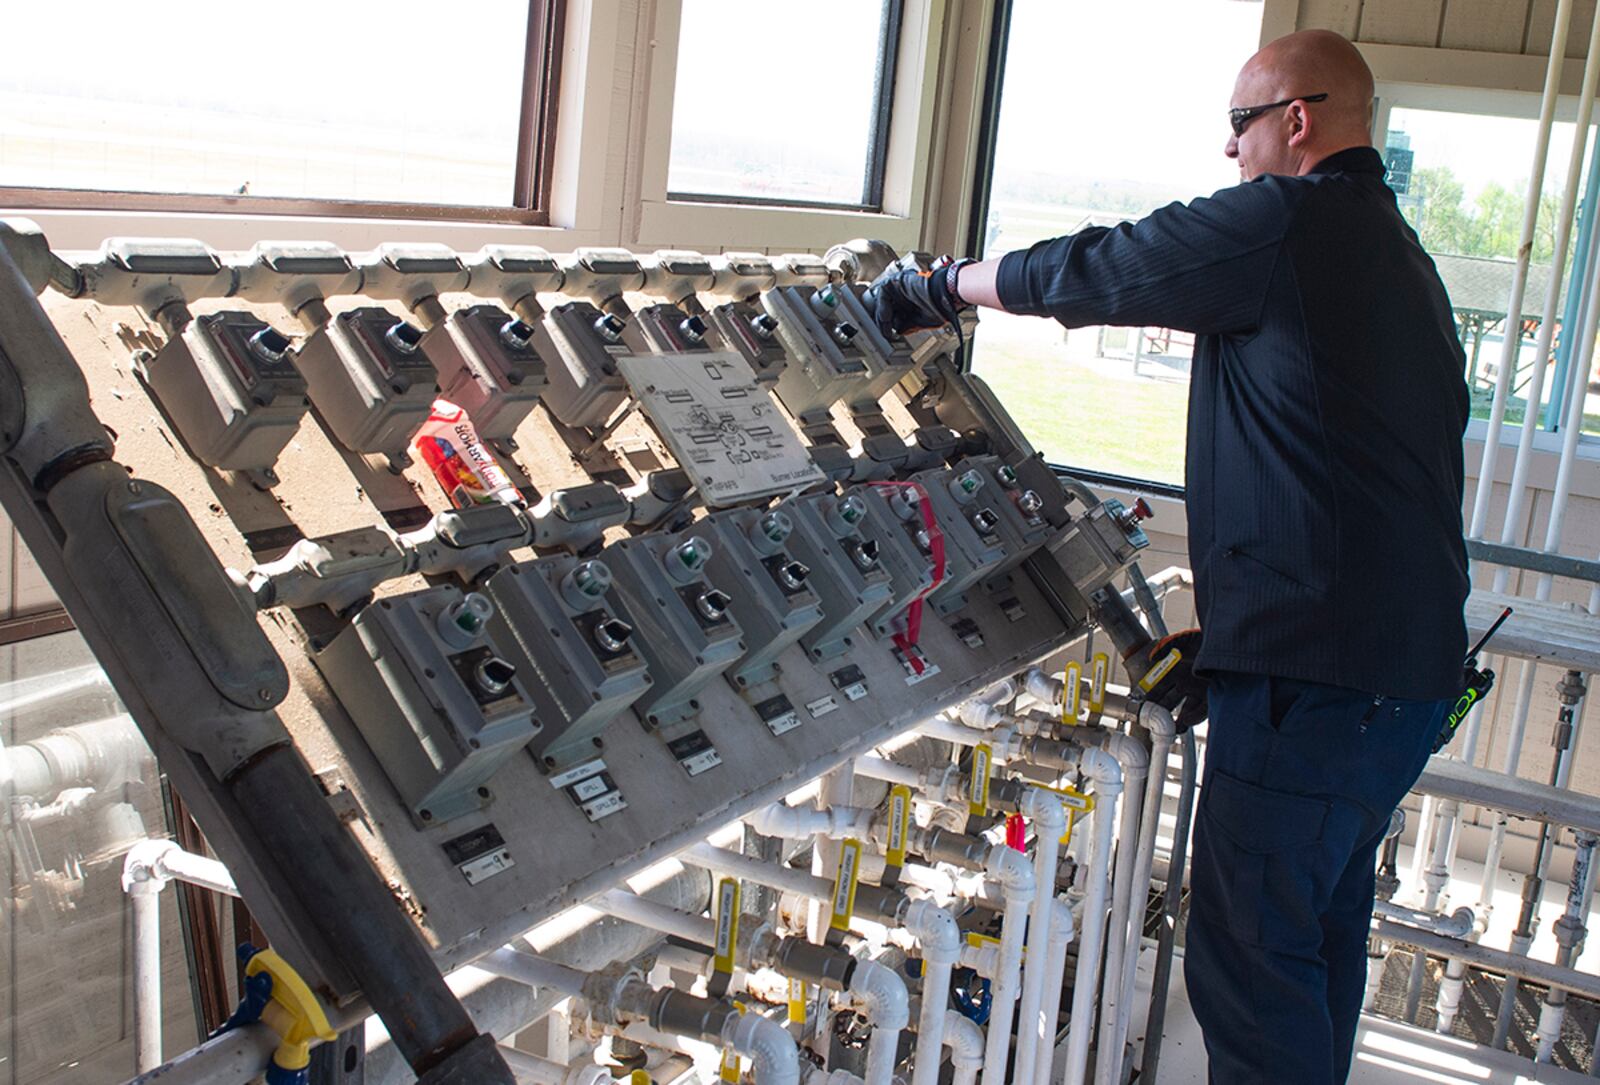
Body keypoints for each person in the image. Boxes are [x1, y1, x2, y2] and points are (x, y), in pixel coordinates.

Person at [868, 29, 1470, 1085]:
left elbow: (1111, 266)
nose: (1230, 154)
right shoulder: (1399, 258)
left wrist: (941, 285)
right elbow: (1349, 475)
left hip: (1317, 684)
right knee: (1314, 940)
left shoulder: (1290, 222)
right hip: (1394, 677)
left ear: (1297, 120)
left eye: (1240, 128)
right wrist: (1239, 626)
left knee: (1244, 965)